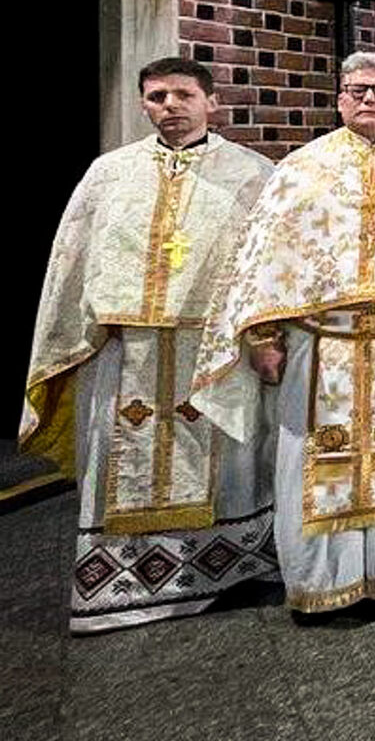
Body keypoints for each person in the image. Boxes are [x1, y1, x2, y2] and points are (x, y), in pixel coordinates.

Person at [192, 51, 375, 617]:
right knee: (310, 459)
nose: (370, 99)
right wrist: (263, 337)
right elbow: (262, 257)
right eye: (359, 89)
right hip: (321, 345)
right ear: (340, 97)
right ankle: (322, 581)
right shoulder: (301, 168)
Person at [22, 58, 277, 632]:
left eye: (183, 95)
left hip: (213, 346)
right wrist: (77, 328)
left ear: (211, 102)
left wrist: (262, 335)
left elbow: (267, 266)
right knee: (117, 457)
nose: (171, 106)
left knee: (231, 460)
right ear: (143, 104)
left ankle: (226, 571)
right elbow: (72, 260)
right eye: (158, 96)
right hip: (125, 345)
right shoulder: (108, 173)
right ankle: (121, 584)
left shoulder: (253, 174)